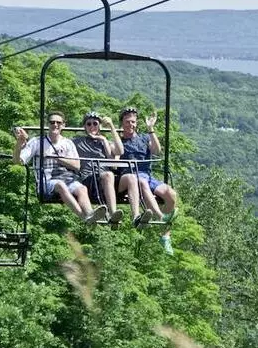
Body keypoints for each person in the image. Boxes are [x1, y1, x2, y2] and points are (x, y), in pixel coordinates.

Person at [13, 110, 106, 224]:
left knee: (82, 188)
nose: (55, 125)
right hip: (46, 182)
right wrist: (18, 144)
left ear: (63, 125)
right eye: (52, 122)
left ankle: (90, 214)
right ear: (48, 124)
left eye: (58, 122)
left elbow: (77, 166)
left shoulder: (68, 143)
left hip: (67, 179)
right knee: (60, 185)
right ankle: (84, 217)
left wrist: (58, 158)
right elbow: (18, 161)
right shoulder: (37, 142)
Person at [115, 106, 178, 254]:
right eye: (127, 122)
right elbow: (115, 159)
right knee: (141, 182)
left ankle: (165, 235)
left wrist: (150, 128)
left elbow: (156, 150)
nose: (131, 125)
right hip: (130, 177)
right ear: (122, 124)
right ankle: (160, 216)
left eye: (133, 122)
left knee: (171, 194)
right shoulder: (120, 141)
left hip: (146, 175)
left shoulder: (144, 138)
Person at [72, 111, 124, 225]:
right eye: (89, 124)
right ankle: (110, 212)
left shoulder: (104, 142)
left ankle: (113, 214)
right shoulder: (78, 141)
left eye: (95, 124)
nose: (92, 127)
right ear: (84, 127)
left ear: (99, 126)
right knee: (108, 175)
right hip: (88, 179)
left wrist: (106, 135)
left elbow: (120, 151)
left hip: (105, 181)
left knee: (108, 175)